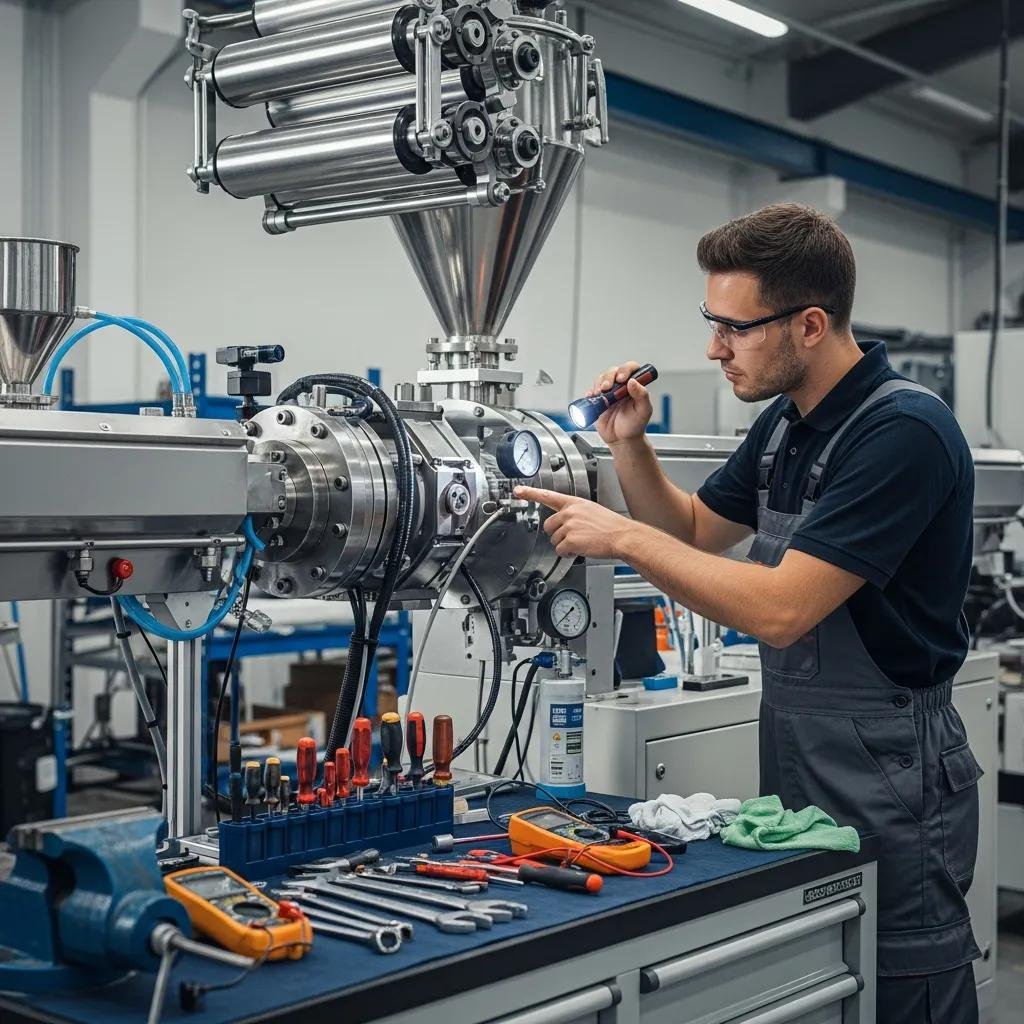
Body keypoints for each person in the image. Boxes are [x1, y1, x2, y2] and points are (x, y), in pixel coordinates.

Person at [515, 203, 983, 1024]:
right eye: (710, 323)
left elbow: (781, 611)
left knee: (900, 981)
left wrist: (619, 537)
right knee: (820, 971)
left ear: (809, 324)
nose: (712, 349)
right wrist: (630, 446)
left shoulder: (903, 430)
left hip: (894, 778)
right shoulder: (785, 427)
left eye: (734, 328)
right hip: (801, 762)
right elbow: (694, 529)